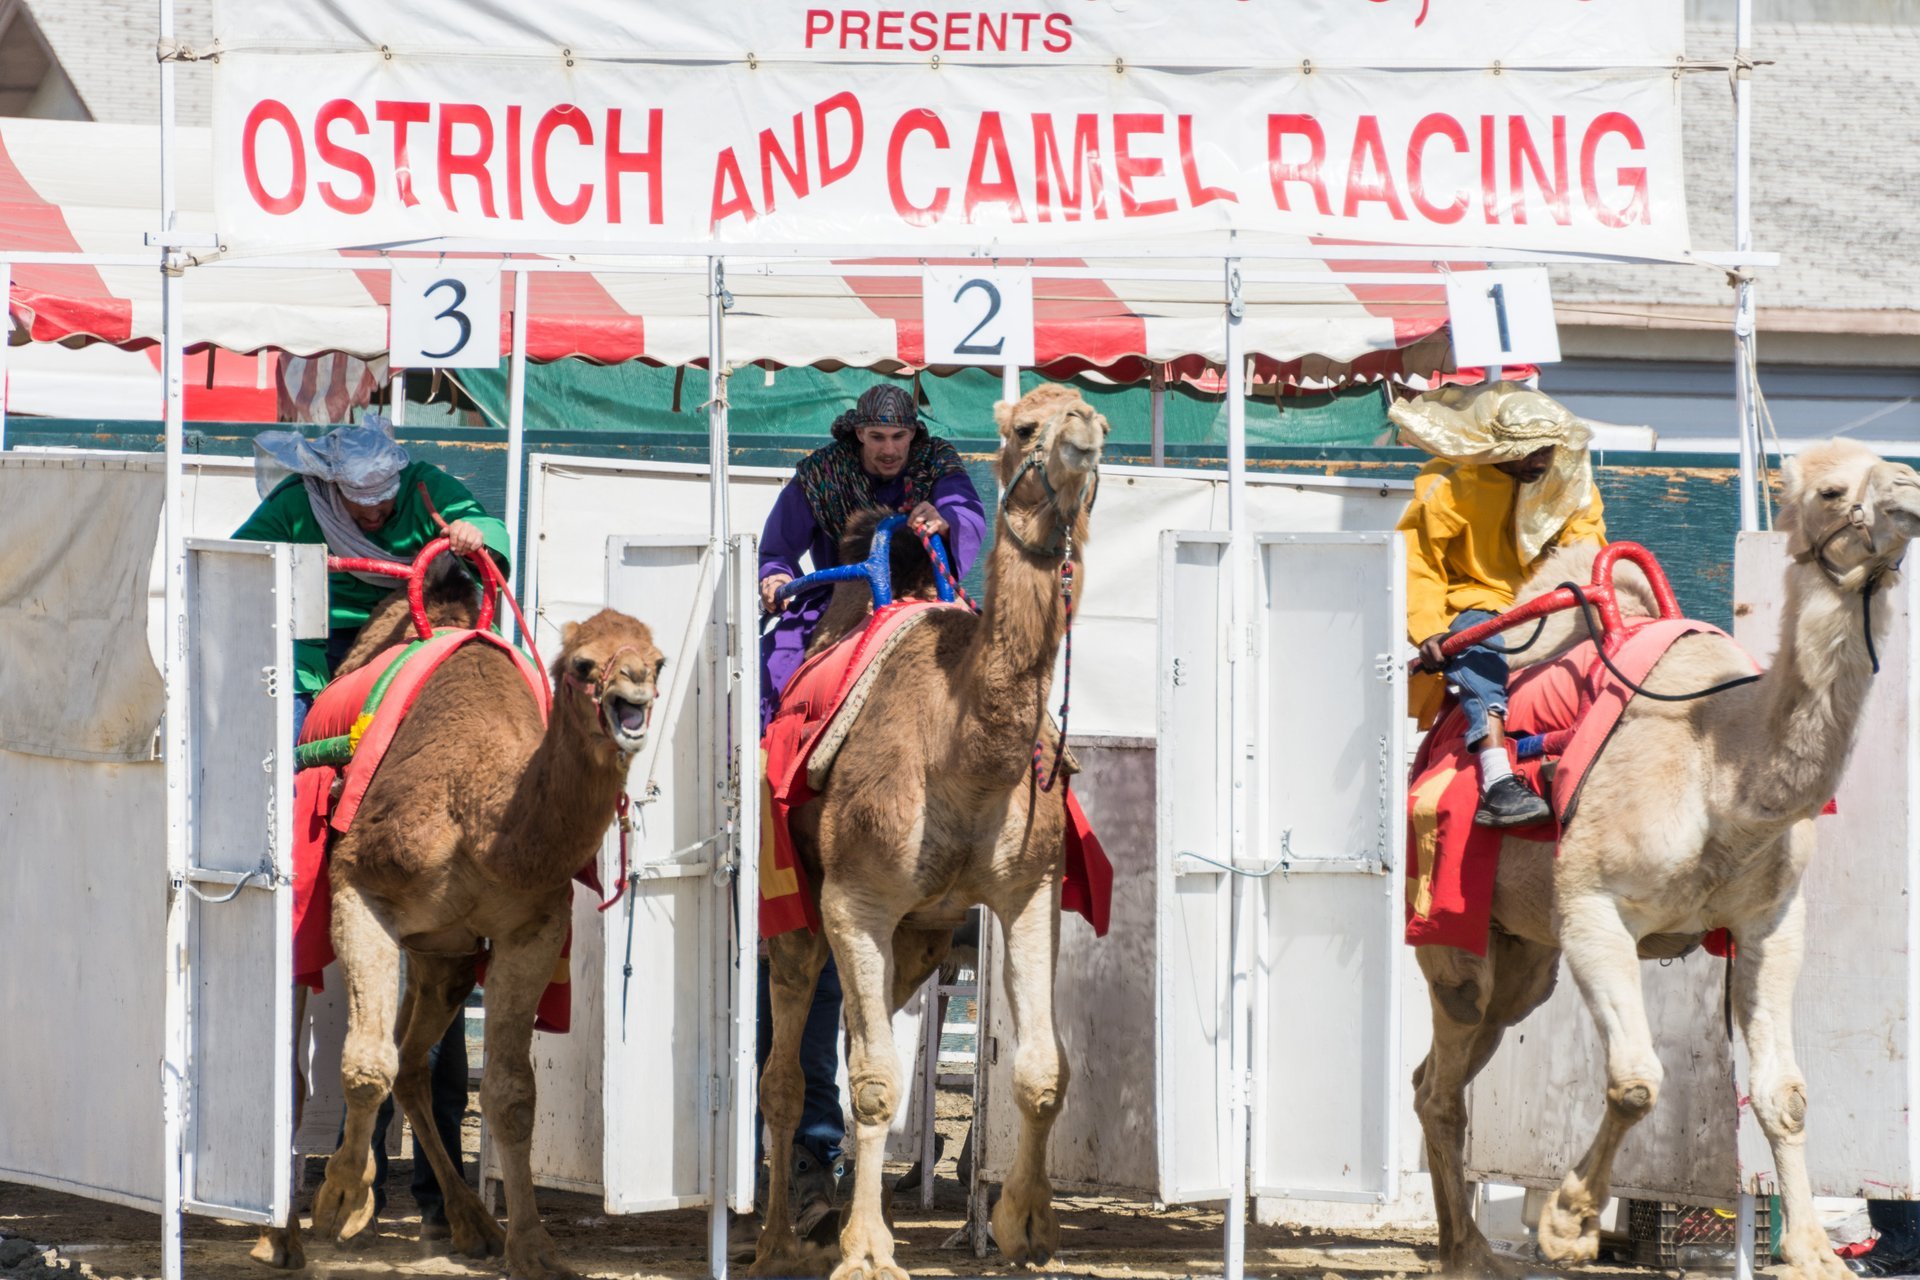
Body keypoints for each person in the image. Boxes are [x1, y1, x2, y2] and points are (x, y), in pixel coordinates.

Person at [234, 415, 509, 1235]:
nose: (382, 510)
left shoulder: (426, 488)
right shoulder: (295, 505)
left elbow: (490, 530)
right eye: (364, 498)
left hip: (424, 635)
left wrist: (470, 531)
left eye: (387, 495)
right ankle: (274, 867)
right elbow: (243, 568)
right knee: (283, 781)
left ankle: (437, 1191)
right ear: (333, 488)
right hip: (323, 659)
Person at [748, 384, 986, 1244]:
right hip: (851, 602)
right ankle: (789, 807)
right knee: (792, 689)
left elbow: (970, 522)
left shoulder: (940, 469)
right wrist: (779, 576)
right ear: (859, 436)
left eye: (899, 435)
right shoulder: (820, 477)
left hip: (931, 601)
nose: (889, 449)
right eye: (877, 437)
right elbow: (778, 551)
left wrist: (941, 521)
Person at [1393, 383, 1607, 828]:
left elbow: (1586, 542)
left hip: (1552, 601)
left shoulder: (1568, 483)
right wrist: (1431, 629)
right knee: (1480, 643)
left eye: (1547, 449)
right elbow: (1419, 563)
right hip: (1477, 601)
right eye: (1528, 451)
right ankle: (1497, 778)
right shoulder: (1446, 485)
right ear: (1496, 447)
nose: (1541, 460)